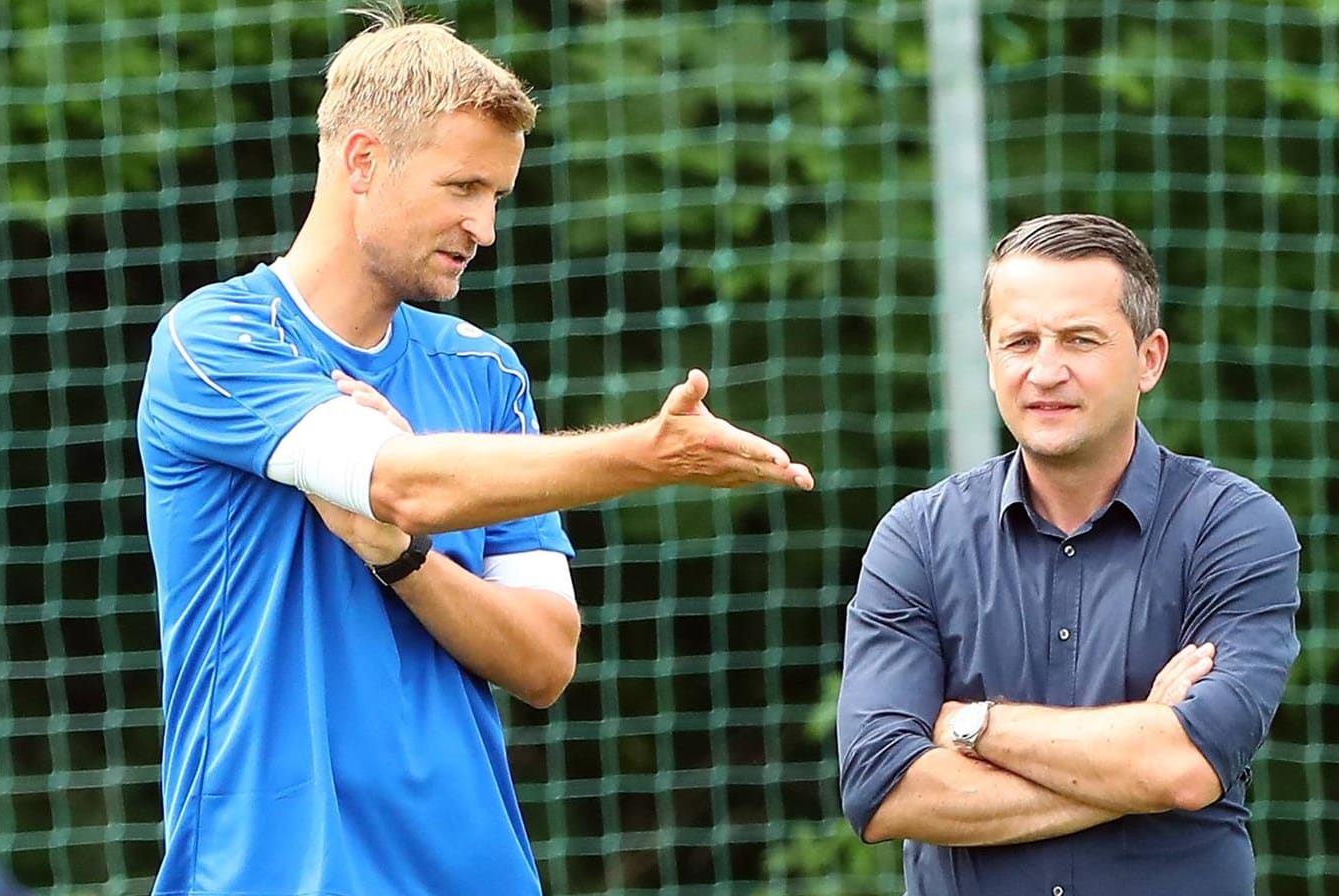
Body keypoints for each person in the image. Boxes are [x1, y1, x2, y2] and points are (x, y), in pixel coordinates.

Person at [136, 4, 813, 895]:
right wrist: (650, 455)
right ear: (363, 161)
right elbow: (399, 482)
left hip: (473, 871)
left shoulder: (485, 371)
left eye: (497, 195)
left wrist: (405, 560)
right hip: (271, 870)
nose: (485, 229)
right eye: (463, 188)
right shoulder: (215, 340)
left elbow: (543, 661)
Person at [836, 213, 1300, 895]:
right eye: (1020, 341)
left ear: (1150, 359)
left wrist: (972, 724)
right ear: (990, 360)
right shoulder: (918, 538)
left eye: (1080, 340)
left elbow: (1185, 766)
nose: (1045, 371)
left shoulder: (1232, 527)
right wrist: (1135, 763)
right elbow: (883, 791)